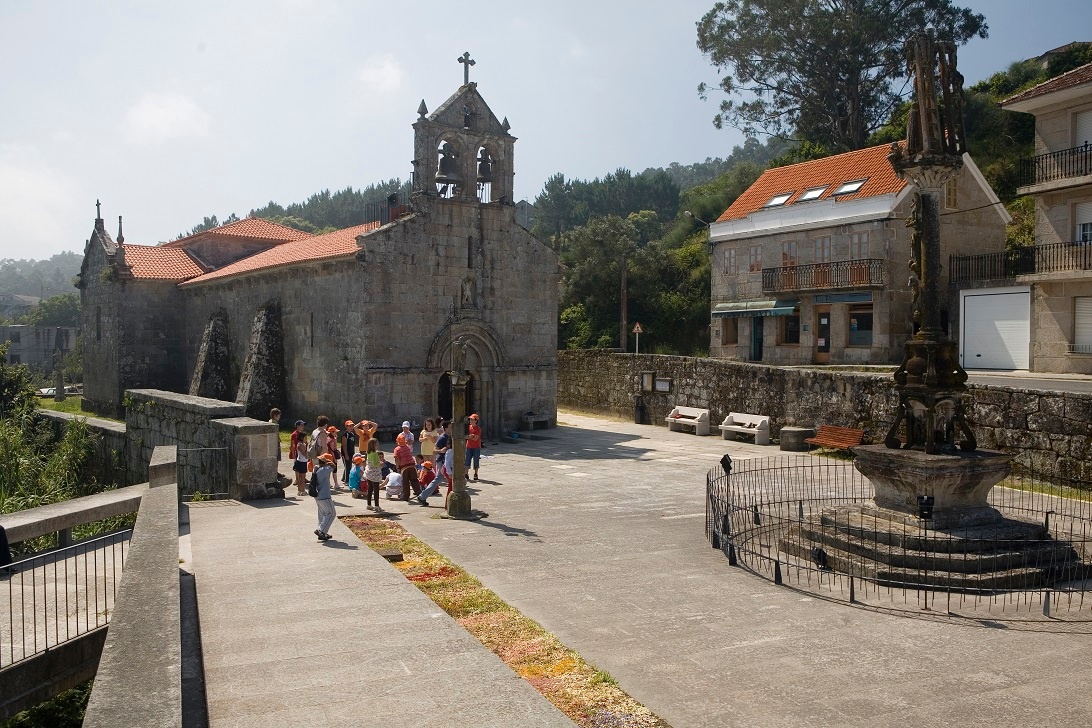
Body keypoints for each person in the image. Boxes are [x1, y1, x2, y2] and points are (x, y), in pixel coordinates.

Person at [313, 453, 336, 541]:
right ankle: (321, 530)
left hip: (318, 496)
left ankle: (323, 532)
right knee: (331, 513)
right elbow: (333, 466)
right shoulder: (323, 470)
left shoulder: (316, 469)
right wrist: (329, 462)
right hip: (324, 496)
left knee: (323, 514)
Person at [393, 434, 419, 500]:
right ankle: (419, 494)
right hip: (412, 465)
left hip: (404, 467)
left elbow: (397, 459)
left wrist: (398, 468)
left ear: (397, 441)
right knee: (414, 480)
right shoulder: (407, 447)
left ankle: (406, 496)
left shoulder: (397, 449)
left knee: (405, 482)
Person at [362, 439, 384, 512]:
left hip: (369, 472)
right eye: (376, 445)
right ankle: (377, 505)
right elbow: (375, 464)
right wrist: (380, 463)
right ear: (373, 446)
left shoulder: (368, 452)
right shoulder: (374, 453)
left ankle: (369, 504)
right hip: (375, 473)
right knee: (376, 490)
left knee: (370, 489)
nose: (377, 446)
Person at [290, 420, 308, 496]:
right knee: (301, 475)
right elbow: (292, 446)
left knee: (301, 475)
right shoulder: (294, 435)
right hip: (299, 457)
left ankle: (300, 489)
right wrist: (293, 455)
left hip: (301, 458)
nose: (303, 427)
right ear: (297, 426)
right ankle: (301, 489)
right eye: (301, 425)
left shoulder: (301, 437)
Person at [465, 413, 482, 481]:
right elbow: (466, 436)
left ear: (476, 420)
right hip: (469, 446)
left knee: (476, 460)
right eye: (470, 419)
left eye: (472, 419)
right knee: (467, 460)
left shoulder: (478, 429)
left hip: (476, 447)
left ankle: (476, 473)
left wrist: (470, 436)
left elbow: (476, 438)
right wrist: (471, 436)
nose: (470, 421)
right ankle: (466, 473)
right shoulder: (468, 427)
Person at [340, 420, 358, 485]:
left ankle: (344, 478)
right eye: (349, 426)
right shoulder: (345, 435)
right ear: (346, 427)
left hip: (351, 453)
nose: (351, 427)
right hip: (346, 453)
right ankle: (346, 480)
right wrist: (346, 454)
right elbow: (344, 445)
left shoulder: (352, 434)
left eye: (352, 426)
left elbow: (352, 445)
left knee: (349, 465)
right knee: (347, 467)